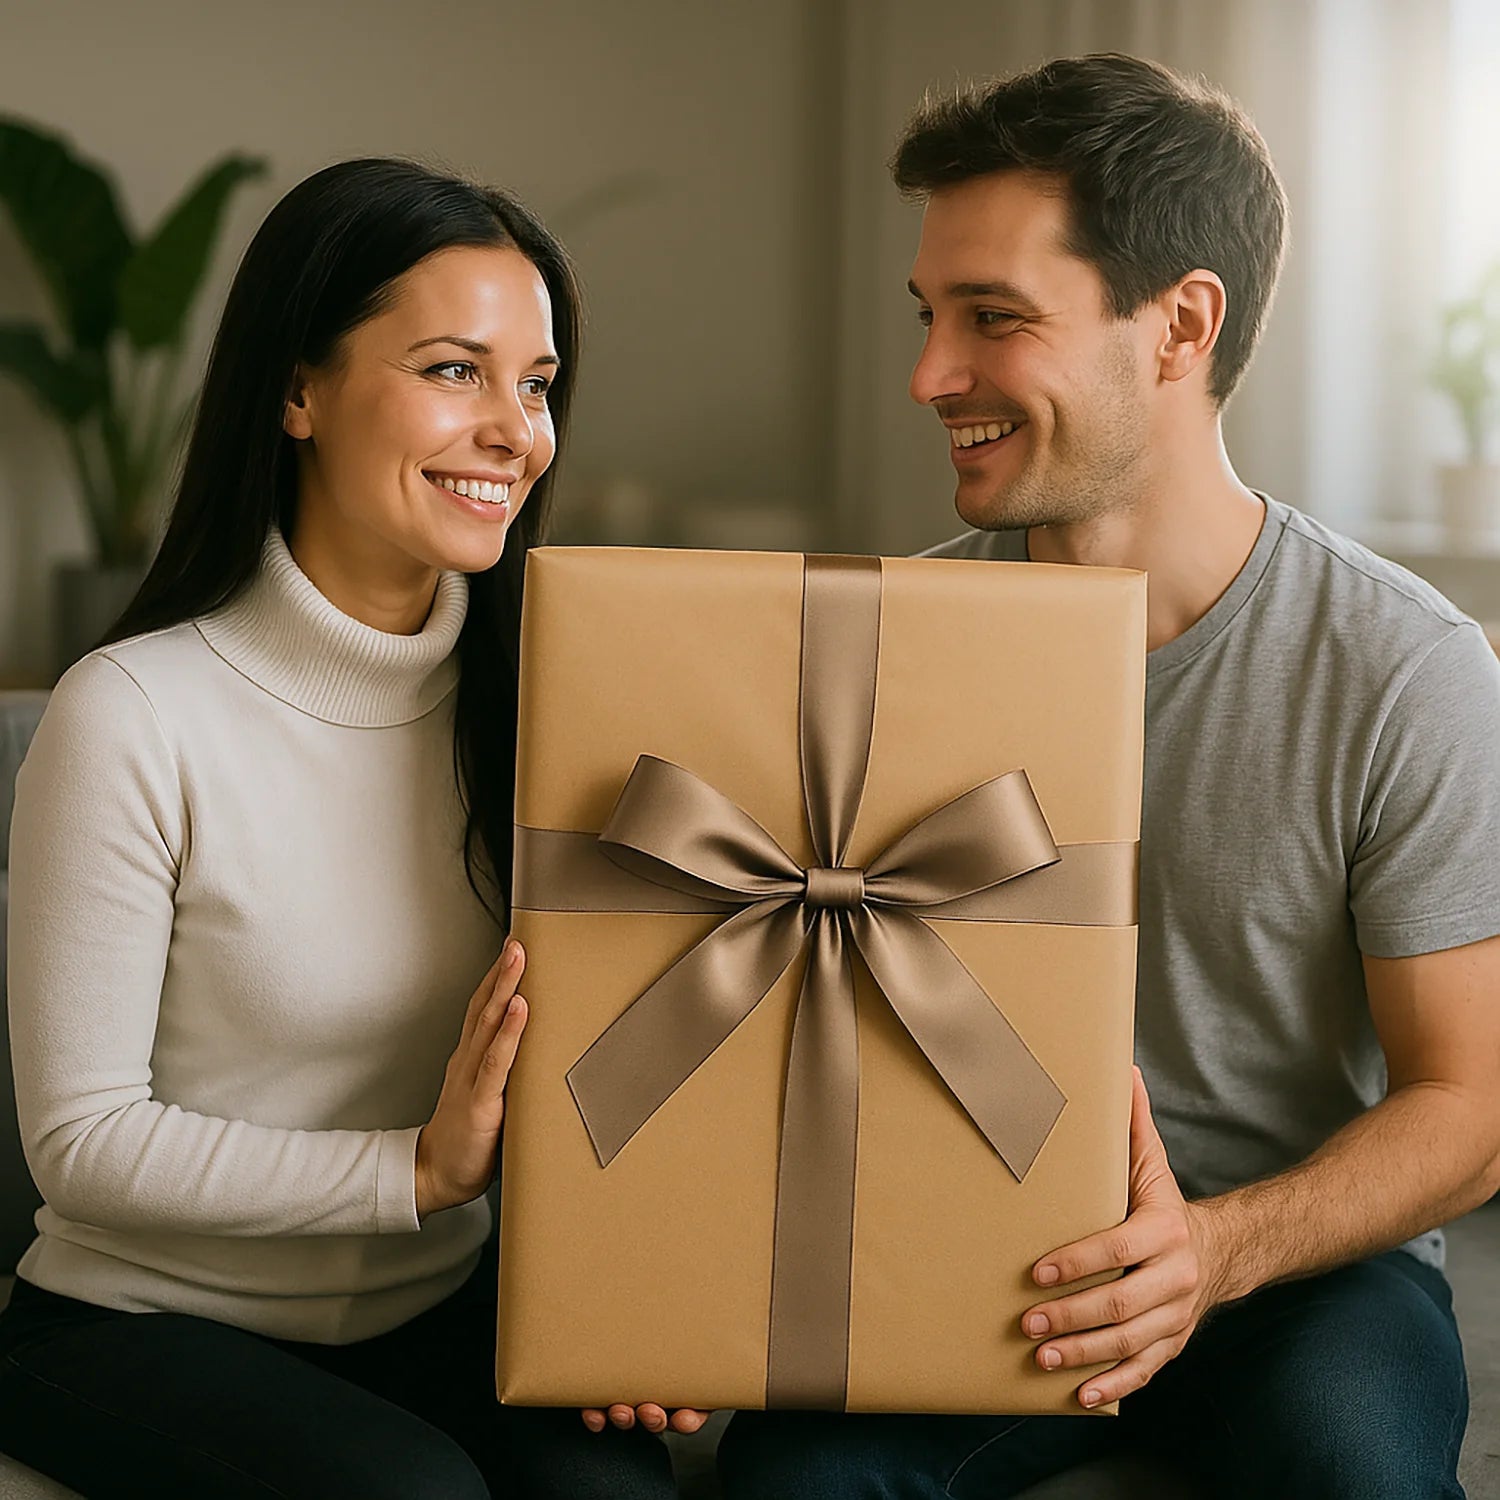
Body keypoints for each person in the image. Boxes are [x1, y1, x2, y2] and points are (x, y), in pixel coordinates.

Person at [714, 53, 1500, 1500]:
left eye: (993, 320)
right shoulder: (883, 650)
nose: (929, 374)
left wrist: (1215, 1250)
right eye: (930, 316)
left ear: (1179, 326)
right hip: (967, 1258)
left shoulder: (1407, 669)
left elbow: (1473, 1103)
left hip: (1300, 1270)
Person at [0, 158, 681, 1500]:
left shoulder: (551, 703)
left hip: (433, 1312)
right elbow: (81, 1141)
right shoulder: (133, 712)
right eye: (452, 371)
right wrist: (416, 1171)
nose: (514, 430)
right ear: (299, 391)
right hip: (140, 1322)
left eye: (536, 384)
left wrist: (627, 1296)